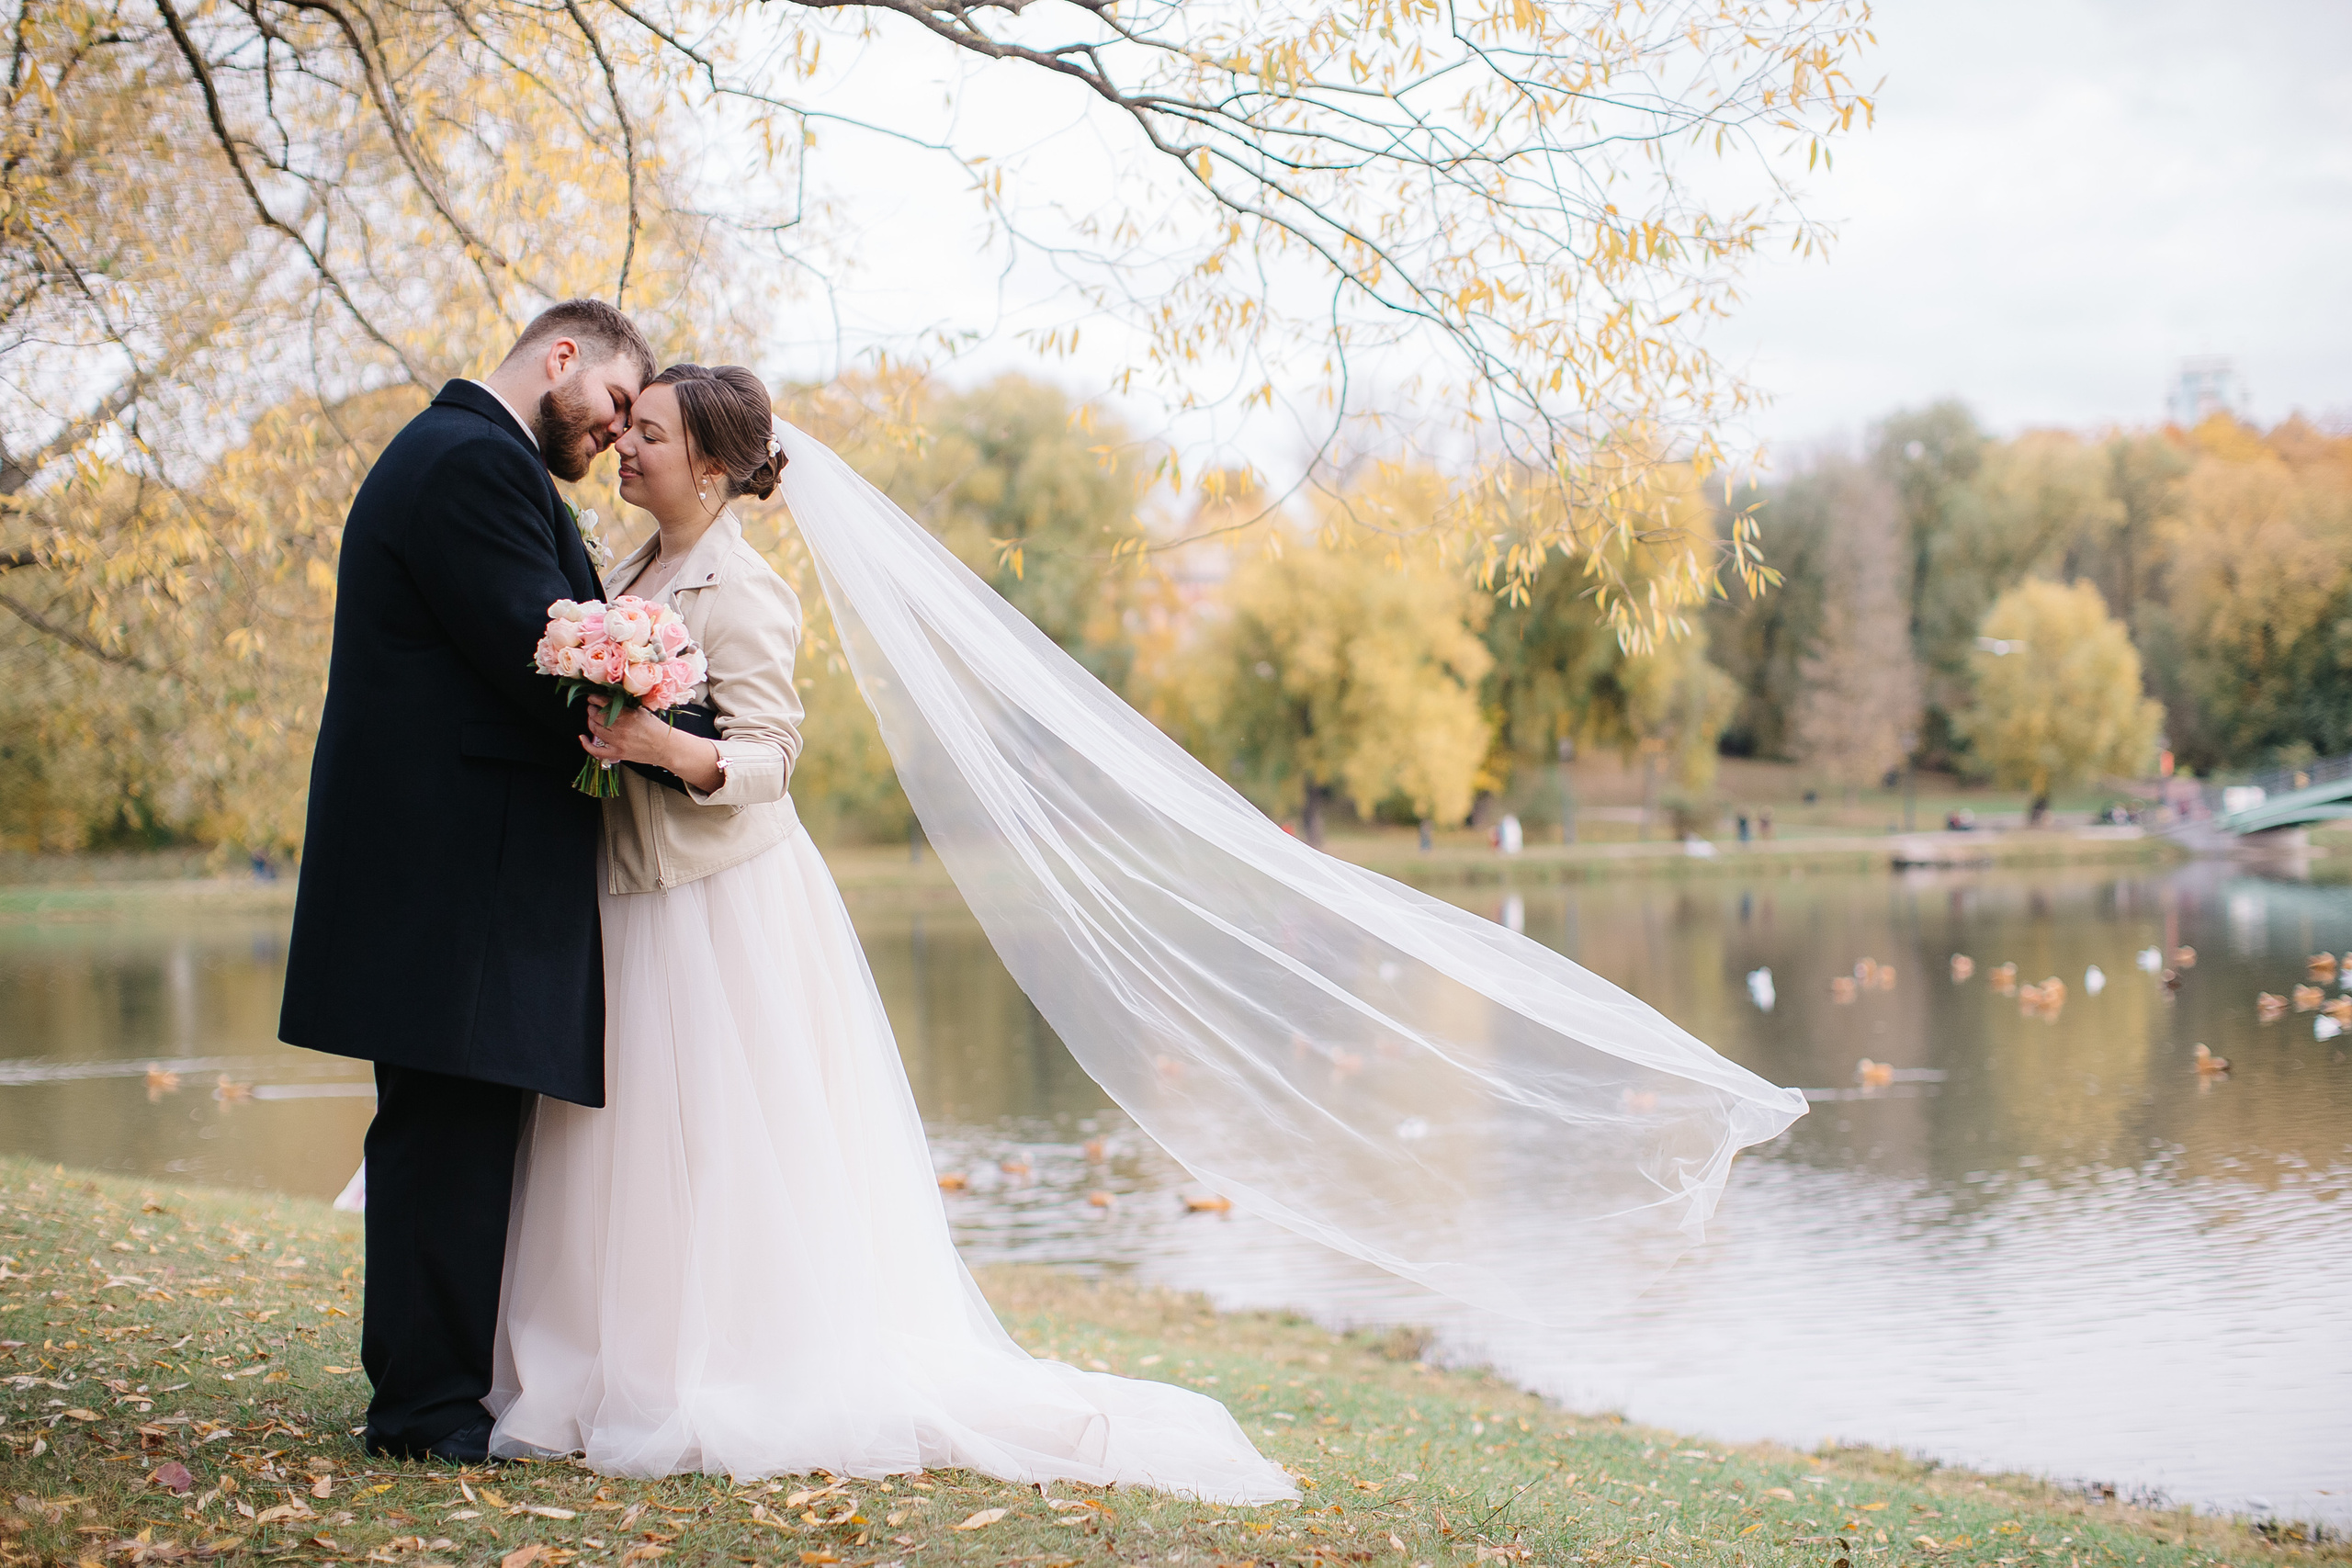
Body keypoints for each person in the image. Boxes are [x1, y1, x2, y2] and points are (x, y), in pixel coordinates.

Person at [486, 366, 1298, 1500]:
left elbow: (770, 757)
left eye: (651, 434)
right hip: (625, 885)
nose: (625, 446)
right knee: (626, 1139)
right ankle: (614, 1357)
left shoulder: (749, 589)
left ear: (711, 467)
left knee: (720, 1139)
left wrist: (662, 748)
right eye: (630, 432)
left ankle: (725, 1363)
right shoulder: (625, 570)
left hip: (717, 900)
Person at [278, 300, 653, 1464]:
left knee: (449, 1136)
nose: (614, 434)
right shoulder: (471, 464)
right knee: (445, 1141)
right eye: (616, 403)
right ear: (560, 359)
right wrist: (677, 730)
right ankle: (428, 1415)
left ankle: (437, 1396)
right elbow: (539, 654)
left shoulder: (465, 456)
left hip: (447, 876)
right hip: (455, 879)